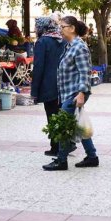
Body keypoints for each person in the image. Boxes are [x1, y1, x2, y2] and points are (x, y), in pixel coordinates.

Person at [43, 16, 99, 171]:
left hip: (75, 92)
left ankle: (61, 160)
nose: (60, 30)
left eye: (62, 26)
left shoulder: (79, 47)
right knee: (77, 124)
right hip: (69, 92)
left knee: (64, 125)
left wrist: (82, 93)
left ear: (72, 28)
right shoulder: (70, 45)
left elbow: (85, 72)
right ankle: (92, 156)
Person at [30, 17, 65, 158]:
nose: (35, 29)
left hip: (48, 84)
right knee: (61, 114)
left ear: (42, 27)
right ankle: (63, 145)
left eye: (36, 27)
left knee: (51, 115)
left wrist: (34, 90)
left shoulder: (42, 42)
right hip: (63, 83)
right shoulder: (61, 40)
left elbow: (38, 66)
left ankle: (55, 147)